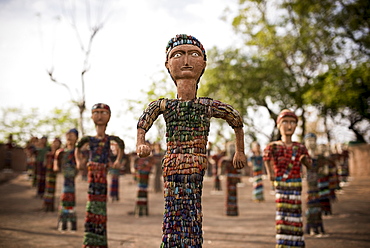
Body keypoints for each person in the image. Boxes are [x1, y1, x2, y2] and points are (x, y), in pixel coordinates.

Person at [136, 34, 247, 248]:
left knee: (193, 218)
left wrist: (239, 151)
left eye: (193, 54)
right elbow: (144, 121)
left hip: (195, 168)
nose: (186, 61)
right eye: (178, 55)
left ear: (203, 63)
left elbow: (236, 120)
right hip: (173, 168)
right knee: (172, 218)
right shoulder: (164, 105)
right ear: (168, 64)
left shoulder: (207, 105)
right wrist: (141, 141)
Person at [75, 103, 124, 248]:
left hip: (102, 174)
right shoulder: (89, 139)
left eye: (103, 112)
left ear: (109, 116)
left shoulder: (110, 139)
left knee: (101, 204)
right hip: (92, 174)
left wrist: (118, 161)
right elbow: (77, 148)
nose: (100, 116)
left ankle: (100, 240)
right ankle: (90, 239)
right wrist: (78, 162)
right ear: (91, 116)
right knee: (91, 203)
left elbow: (121, 145)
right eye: (96, 112)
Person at [263, 109, 311, 248]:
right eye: (285, 122)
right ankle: (283, 243)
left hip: (295, 184)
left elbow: (310, 164)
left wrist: (305, 162)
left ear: (296, 126)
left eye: (292, 122)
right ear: (279, 125)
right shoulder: (273, 147)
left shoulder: (300, 147)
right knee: (283, 214)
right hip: (281, 184)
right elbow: (266, 157)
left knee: (295, 213)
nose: (289, 126)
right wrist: (270, 173)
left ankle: (296, 242)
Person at [54, 128, 79, 232]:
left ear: (76, 137)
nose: (69, 136)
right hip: (66, 178)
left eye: (72, 135)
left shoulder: (77, 151)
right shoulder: (61, 152)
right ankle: (64, 223)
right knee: (65, 199)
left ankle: (70, 223)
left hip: (71, 178)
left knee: (69, 200)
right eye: (68, 134)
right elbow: (55, 165)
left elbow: (80, 165)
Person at [303, 133, 325, 235]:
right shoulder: (303, 156)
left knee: (317, 205)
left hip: (317, 185)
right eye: (309, 140)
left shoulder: (318, 157)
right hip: (309, 187)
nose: (311, 142)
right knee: (310, 205)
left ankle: (318, 226)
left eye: (313, 140)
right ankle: (310, 226)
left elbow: (323, 171)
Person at [219, 141, 241, 216]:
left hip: (234, 177)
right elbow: (221, 169)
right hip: (229, 178)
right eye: (230, 148)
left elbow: (239, 169)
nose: (231, 149)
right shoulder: (225, 160)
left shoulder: (235, 159)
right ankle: (229, 210)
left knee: (234, 193)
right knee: (229, 193)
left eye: (233, 148)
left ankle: (233, 210)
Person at [43, 137, 62, 212]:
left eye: (57, 143)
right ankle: (46, 205)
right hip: (48, 172)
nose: (55, 144)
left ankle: (50, 206)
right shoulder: (48, 154)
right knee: (47, 188)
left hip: (53, 173)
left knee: (51, 189)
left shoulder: (59, 154)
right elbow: (45, 163)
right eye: (54, 142)